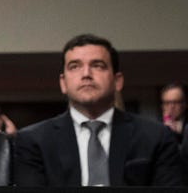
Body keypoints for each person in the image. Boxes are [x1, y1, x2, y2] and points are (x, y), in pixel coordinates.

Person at [12, 34, 184, 186]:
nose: (86, 74)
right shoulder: (33, 141)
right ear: (63, 83)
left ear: (118, 81)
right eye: (74, 66)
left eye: (98, 65)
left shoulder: (156, 137)